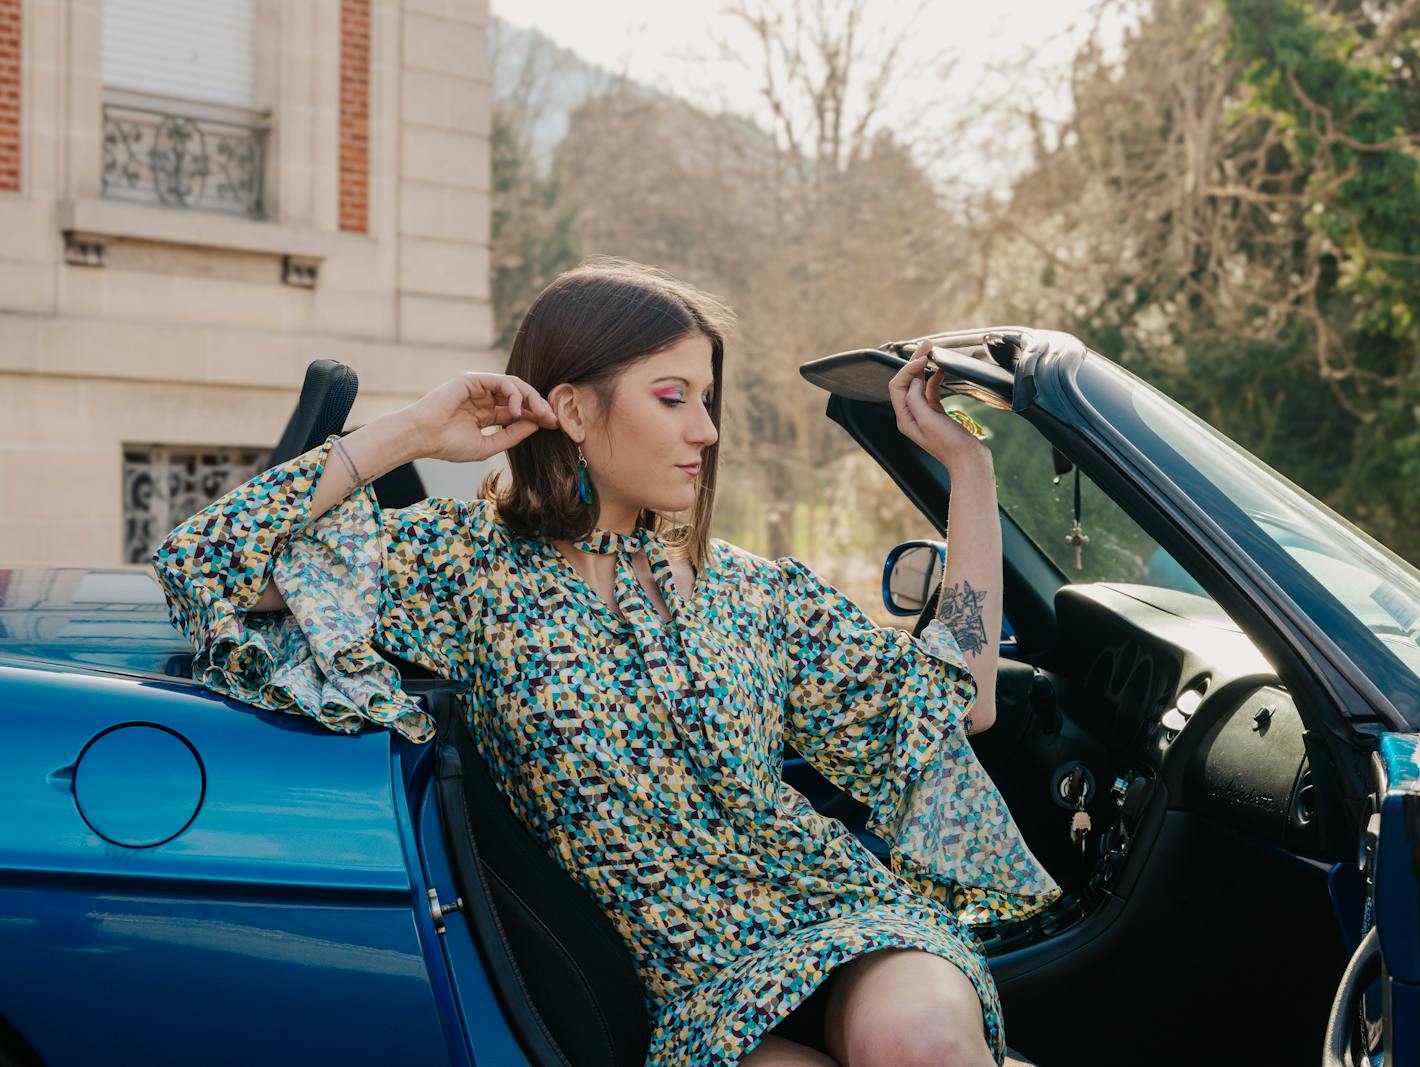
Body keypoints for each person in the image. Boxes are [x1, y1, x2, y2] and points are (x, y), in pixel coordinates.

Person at [151, 258, 1059, 1067]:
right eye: (673, 397)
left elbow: (961, 699)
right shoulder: (466, 568)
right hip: (692, 993)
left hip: (839, 915)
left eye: (709, 399)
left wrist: (969, 473)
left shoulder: (754, 591)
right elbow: (207, 568)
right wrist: (418, 429)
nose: (705, 429)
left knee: (924, 1043)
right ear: (576, 408)